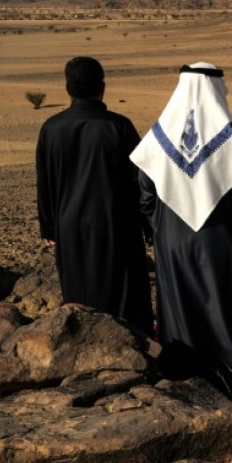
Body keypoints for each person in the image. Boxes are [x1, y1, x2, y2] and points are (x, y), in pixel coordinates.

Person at [130, 62, 232, 393]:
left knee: (181, 299)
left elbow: (145, 192)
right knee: (225, 297)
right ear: (215, 89)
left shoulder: (159, 135)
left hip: (172, 237)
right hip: (222, 236)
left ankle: (183, 361)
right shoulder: (230, 136)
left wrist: (161, 229)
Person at [35, 56, 154, 334]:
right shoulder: (119, 126)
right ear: (103, 86)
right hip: (117, 227)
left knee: (80, 298)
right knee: (126, 302)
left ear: (67, 88)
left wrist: (49, 227)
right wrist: (148, 225)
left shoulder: (51, 129)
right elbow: (142, 181)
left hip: (70, 229)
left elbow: (45, 183)